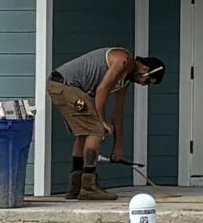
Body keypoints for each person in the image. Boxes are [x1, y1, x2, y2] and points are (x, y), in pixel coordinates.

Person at [45, 46, 164, 199]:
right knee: (96, 130)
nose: (143, 84)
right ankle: (89, 187)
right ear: (145, 69)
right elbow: (101, 90)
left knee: (84, 134)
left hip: (61, 85)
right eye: (147, 80)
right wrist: (101, 122)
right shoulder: (123, 59)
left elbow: (118, 113)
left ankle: (76, 186)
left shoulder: (124, 79)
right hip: (66, 84)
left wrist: (118, 147)